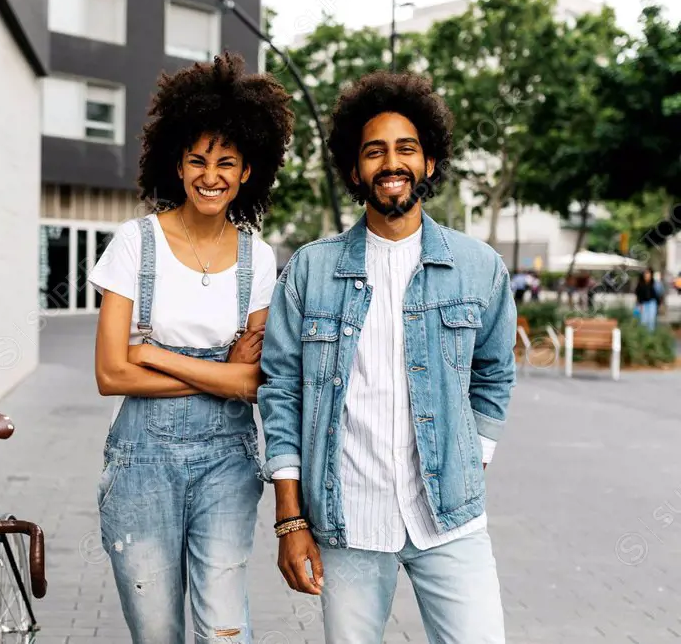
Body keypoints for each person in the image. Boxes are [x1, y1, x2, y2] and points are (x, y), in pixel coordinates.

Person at [259, 72, 517, 643]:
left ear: (428, 163)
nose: (391, 162)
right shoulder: (310, 270)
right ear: (355, 171)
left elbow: (495, 371)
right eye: (375, 151)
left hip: (450, 518)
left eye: (407, 149)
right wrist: (290, 518)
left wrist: (473, 454)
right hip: (347, 520)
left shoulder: (479, 267)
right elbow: (280, 389)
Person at [87, 52, 293, 643]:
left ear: (247, 170)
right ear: (176, 165)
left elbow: (255, 383)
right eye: (198, 160)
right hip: (141, 459)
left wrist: (151, 354)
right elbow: (109, 373)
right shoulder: (134, 243)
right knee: (156, 632)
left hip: (228, 460)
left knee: (225, 627)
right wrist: (215, 373)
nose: (211, 175)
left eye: (226, 162)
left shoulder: (258, 258)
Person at [635, 267, 659, 332]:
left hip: (652, 303)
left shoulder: (654, 283)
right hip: (643, 304)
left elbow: (657, 295)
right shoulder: (640, 284)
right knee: (643, 321)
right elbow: (638, 295)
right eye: (646, 273)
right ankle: (643, 336)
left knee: (651, 321)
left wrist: (659, 305)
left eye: (648, 273)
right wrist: (639, 305)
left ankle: (650, 337)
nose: (647, 275)